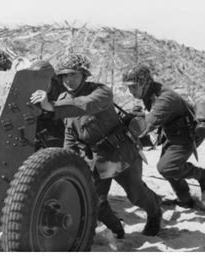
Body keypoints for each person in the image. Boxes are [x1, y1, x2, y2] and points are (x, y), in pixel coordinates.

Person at [30, 54, 162, 238]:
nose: (68, 80)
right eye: (64, 76)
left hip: (121, 153)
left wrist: (51, 105)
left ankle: (155, 212)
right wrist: (67, 161)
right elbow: (70, 132)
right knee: (96, 202)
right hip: (97, 159)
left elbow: (86, 105)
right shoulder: (63, 97)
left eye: (73, 75)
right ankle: (118, 230)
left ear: (84, 75)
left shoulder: (101, 92)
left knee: (136, 195)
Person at [122, 64, 205, 209]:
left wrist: (128, 125)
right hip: (172, 132)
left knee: (166, 167)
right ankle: (185, 199)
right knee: (169, 168)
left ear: (145, 83)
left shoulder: (165, 98)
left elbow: (146, 125)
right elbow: (153, 115)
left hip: (186, 135)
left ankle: (204, 176)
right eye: (128, 87)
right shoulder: (150, 92)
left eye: (134, 87)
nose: (131, 91)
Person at [28, 60, 66, 149]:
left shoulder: (63, 92)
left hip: (59, 131)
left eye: (43, 78)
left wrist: (48, 104)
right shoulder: (30, 90)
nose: (39, 82)